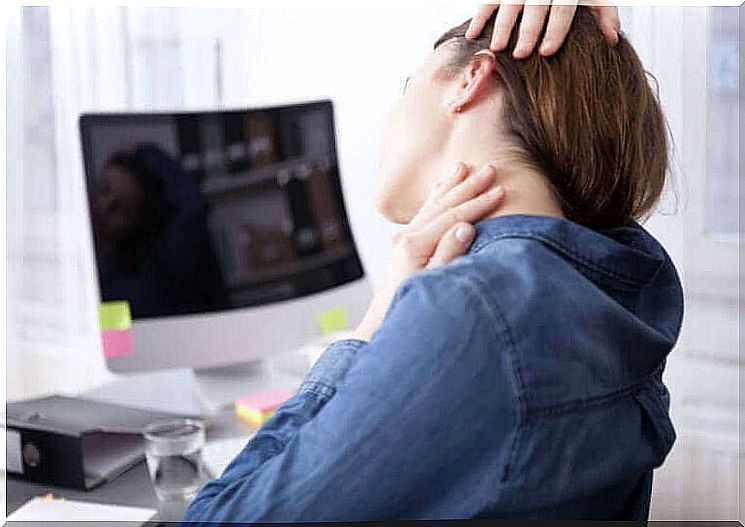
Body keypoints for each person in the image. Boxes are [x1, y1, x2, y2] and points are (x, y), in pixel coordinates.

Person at [183, 2, 682, 521]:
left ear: (471, 79)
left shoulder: (470, 308)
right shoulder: (624, 279)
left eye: (407, 86)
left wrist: (371, 328)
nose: (390, 118)